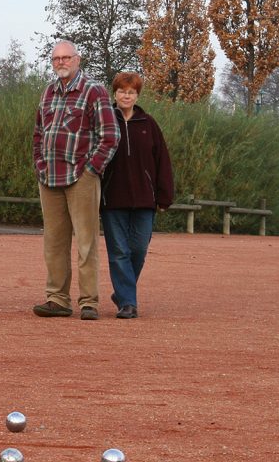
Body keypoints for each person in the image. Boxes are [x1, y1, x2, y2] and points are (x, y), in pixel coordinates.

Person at [32, 41, 120, 321]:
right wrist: (39, 164)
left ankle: (89, 302)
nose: (60, 62)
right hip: (49, 176)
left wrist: (92, 169)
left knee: (86, 242)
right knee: (54, 242)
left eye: (66, 57)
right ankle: (57, 299)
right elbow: (38, 134)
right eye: (56, 58)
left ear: (77, 60)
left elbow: (110, 136)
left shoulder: (94, 91)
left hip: (80, 176)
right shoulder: (48, 92)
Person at [100, 73, 174, 319]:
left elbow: (162, 161)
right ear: (115, 93)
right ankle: (128, 304)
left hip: (145, 199)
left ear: (138, 96)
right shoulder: (104, 121)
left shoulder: (148, 124)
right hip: (112, 199)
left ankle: (123, 291)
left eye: (131, 92)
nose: (126, 95)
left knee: (139, 249)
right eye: (122, 91)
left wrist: (164, 196)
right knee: (119, 251)